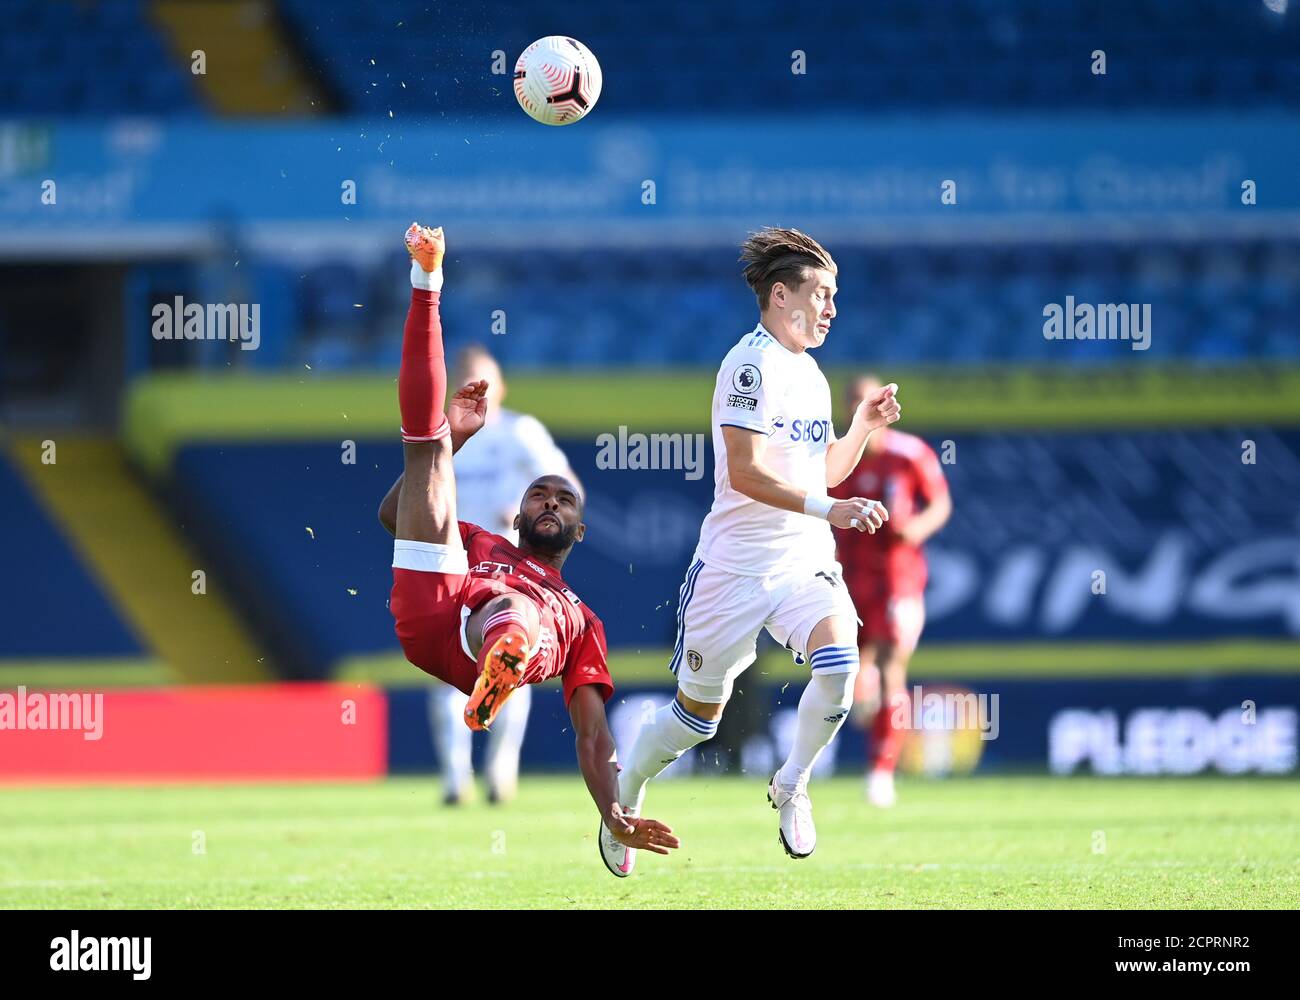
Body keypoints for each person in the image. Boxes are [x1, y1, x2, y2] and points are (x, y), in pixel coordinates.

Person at [381, 222, 678, 867]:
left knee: (518, 614)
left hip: (498, 627)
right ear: (519, 517)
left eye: (563, 499)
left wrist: (612, 814)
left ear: (582, 529)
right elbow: (392, 515)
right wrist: (449, 443)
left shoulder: (582, 622)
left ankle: (505, 655)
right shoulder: (484, 540)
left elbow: (593, 732)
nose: (549, 500)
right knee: (423, 445)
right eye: (539, 496)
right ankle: (427, 280)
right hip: (437, 606)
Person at [606, 227, 900, 876]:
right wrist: (836, 509)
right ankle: (624, 799)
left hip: (802, 561)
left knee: (841, 667)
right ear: (779, 294)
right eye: (821, 294)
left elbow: (819, 472)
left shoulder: (812, 372)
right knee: (695, 721)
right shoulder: (749, 365)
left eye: (835, 295)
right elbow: (746, 473)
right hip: (733, 569)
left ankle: (792, 783)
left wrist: (861, 430)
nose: (831, 308)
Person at [380, 345, 579, 805]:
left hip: (510, 562)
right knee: (452, 669)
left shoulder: (520, 434)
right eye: (467, 378)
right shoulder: (444, 434)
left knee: (511, 658)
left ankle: (500, 773)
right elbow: (410, 498)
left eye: (485, 379)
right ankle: (455, 778)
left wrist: (538, 516)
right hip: (453, 561)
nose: (478, 387)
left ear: (502, 386)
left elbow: (567, 487)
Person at [831, 375, 951, 808]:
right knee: (849, 668)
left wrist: (916, 527)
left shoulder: (909, 454)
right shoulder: (836, 456)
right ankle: (862, 691)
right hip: (845, 575)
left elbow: (940, 502)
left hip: (896, 578)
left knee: (891, 665)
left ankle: (880, 772)